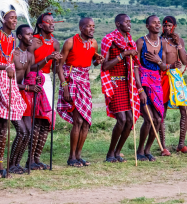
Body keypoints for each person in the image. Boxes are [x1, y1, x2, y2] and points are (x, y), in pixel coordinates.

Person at [0, 0, 30, 178]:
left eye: (15, 18)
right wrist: (5, 66)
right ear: (3, 18)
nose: (14, 20)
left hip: (5, 84)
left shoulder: (11, 39)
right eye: (11, 18)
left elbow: (9, 63)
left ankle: (2, 163)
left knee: (5, 124)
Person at [57, 17, 103, 167]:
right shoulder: (70, 42)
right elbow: (59, 66)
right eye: (88, 26)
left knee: (86, 123)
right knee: (78, 120)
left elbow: (92, 60)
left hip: (85, 81)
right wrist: (64, 87)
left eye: (93, 26)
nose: (92, 29)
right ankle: (71, 158)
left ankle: (78, 155)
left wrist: (97, 61)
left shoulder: (93, 43)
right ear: (81, 28)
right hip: (71, 81)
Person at [101, 14, 145, 163]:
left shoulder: (130, 41)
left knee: (130, 120)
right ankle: (109, 153)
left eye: (130, 22)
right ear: (118, 24)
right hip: (114, 83)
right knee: (121, 119)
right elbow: (105, 66)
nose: (129, 24)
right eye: (126, 22)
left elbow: (136, 66)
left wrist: (139, 88)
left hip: (128, 84)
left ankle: (118, 152)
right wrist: (123, 54)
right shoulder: (109, 40)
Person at [9, 24, 50, 173]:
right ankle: (10, 165)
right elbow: (8, 81)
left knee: (28, 131)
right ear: (19, 36)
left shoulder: (30, 55)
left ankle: (16, 164)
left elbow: (27, 77)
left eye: (32, 34)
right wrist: (28, 87)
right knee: (21, 131)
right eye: (28, 34)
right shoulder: (12, 54)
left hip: (23, 95)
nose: (31, 37)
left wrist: (35, 80)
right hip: (11, 93)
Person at [27, 12, 62, 170]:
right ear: (40, 25)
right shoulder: (33, 41)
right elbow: (29, 67)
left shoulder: (55, 42)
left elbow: (55, 68)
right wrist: (47, 59)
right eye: (48, 22)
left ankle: (37, 158)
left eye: (53, 21)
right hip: (33, 79)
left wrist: (58, 61)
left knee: (46, 122)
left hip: (47, 80)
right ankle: (29, 159)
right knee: (36, 121)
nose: (52, 24)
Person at [136, 15, 170, 161]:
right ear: (147, 26)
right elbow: (135, 67)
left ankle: (148, 150)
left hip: (156, 82)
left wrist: (158, 60)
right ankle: (140, 151)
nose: (157, 25)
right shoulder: (140, 42)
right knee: (148, 119)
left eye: (158, 23)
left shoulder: (162, 42)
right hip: (143, 82)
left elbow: (164, 67)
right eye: (154, 23)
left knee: (157, 119)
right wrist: (139, 89)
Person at [159, 16, 187, 153]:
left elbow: (183, 60)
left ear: (174, 26)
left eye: (169, 25)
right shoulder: (158, 41)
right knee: (162, 111)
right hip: (163, 76)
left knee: (185, 110)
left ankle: (181, 144)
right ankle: (163, 147)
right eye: (164, 26)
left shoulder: (179, 41)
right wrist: (168, 66)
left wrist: (179, 45)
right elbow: (156, 62)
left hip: (176, 77)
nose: (167, 28)